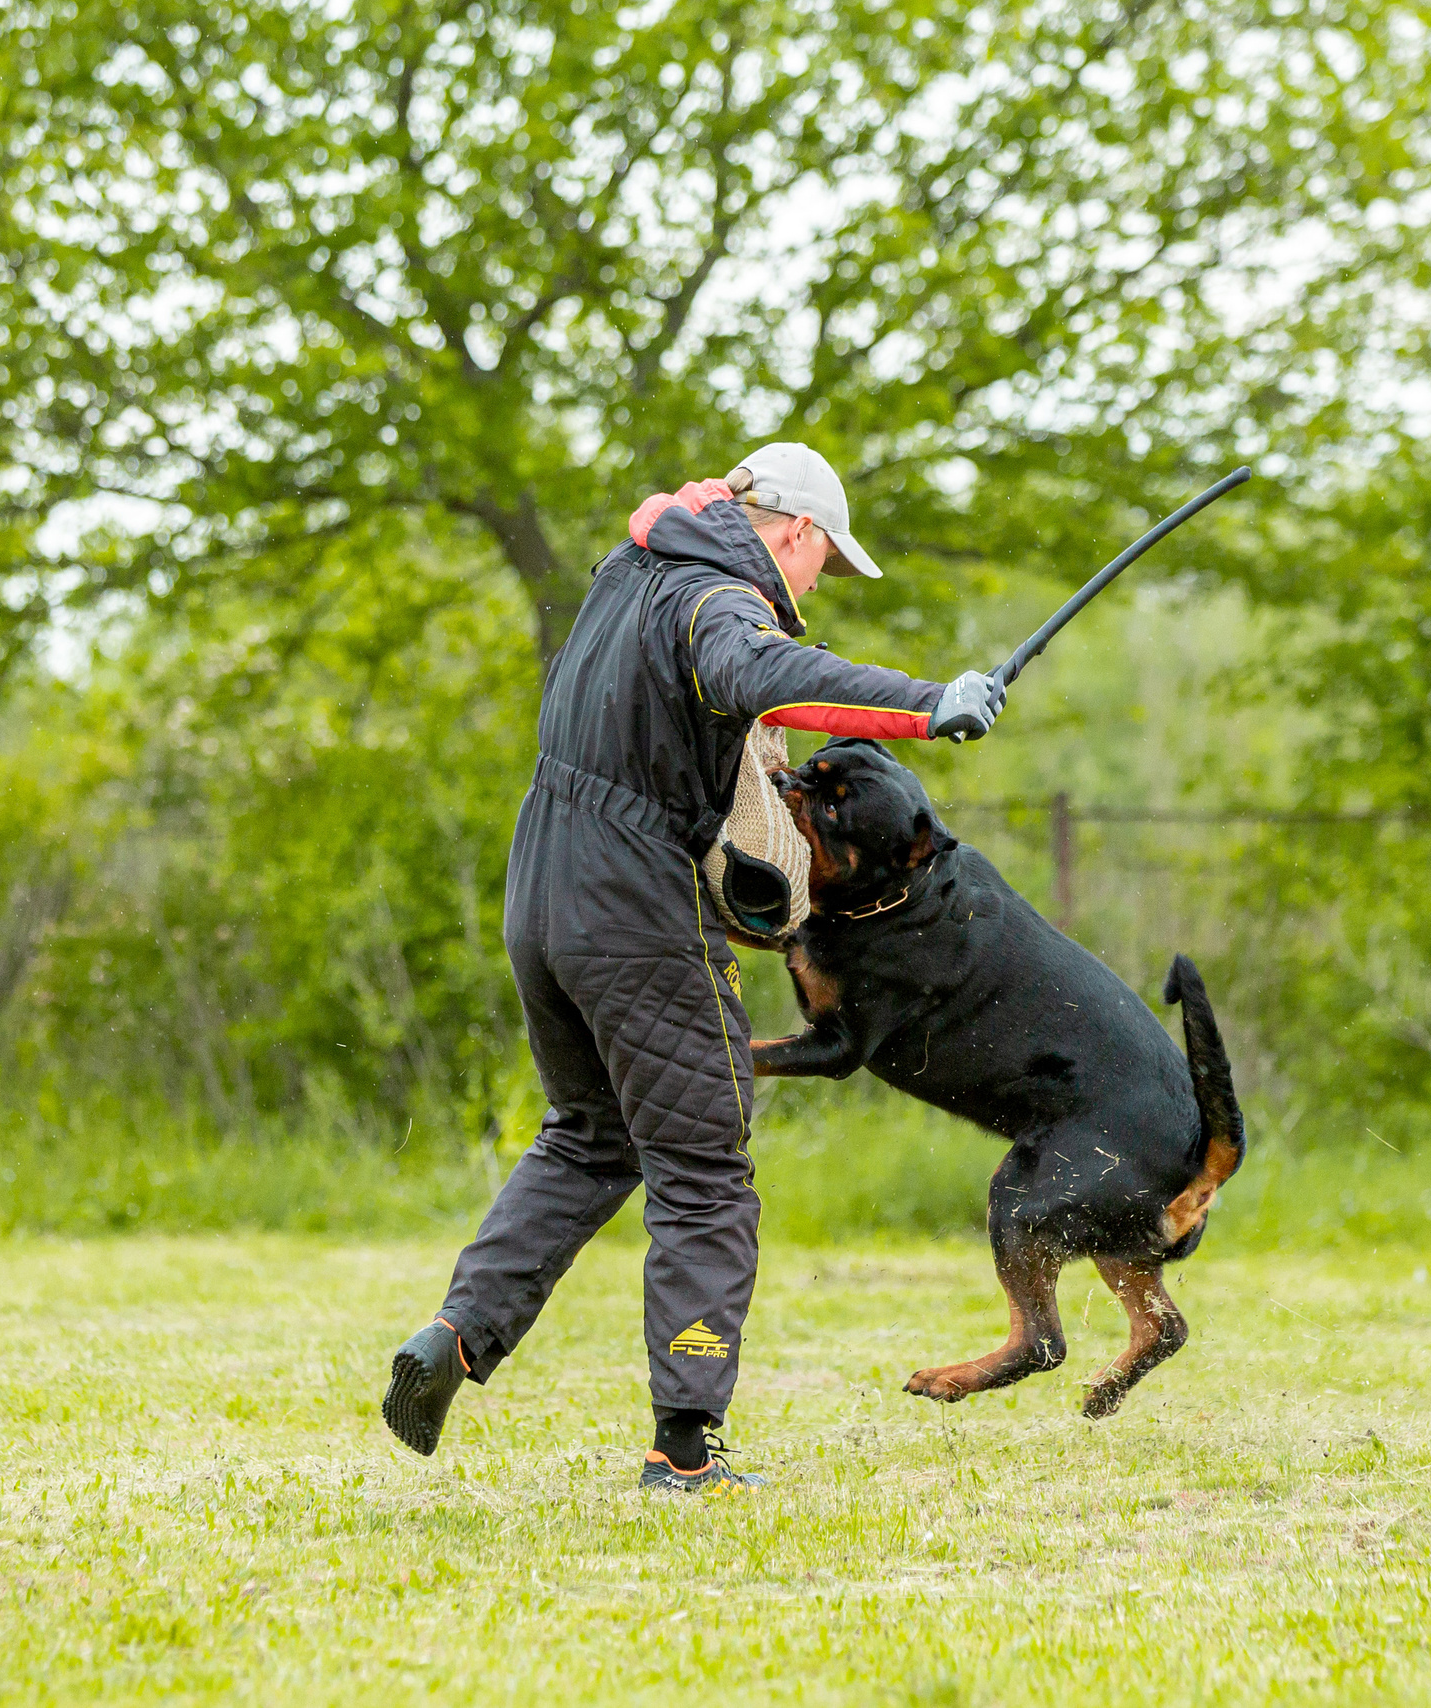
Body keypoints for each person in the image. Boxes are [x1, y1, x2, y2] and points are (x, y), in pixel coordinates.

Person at [380, 442, 1007, 1490]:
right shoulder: (717, 596)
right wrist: (925, 702)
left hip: (540, 888)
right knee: (706, 1169)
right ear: (796, 531)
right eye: (822, 564)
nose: (812, 590)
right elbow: (757, 670)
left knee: (592, 1136)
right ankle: (683, 1448)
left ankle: (454, 1335)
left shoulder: (632, 576)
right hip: (633, 899)